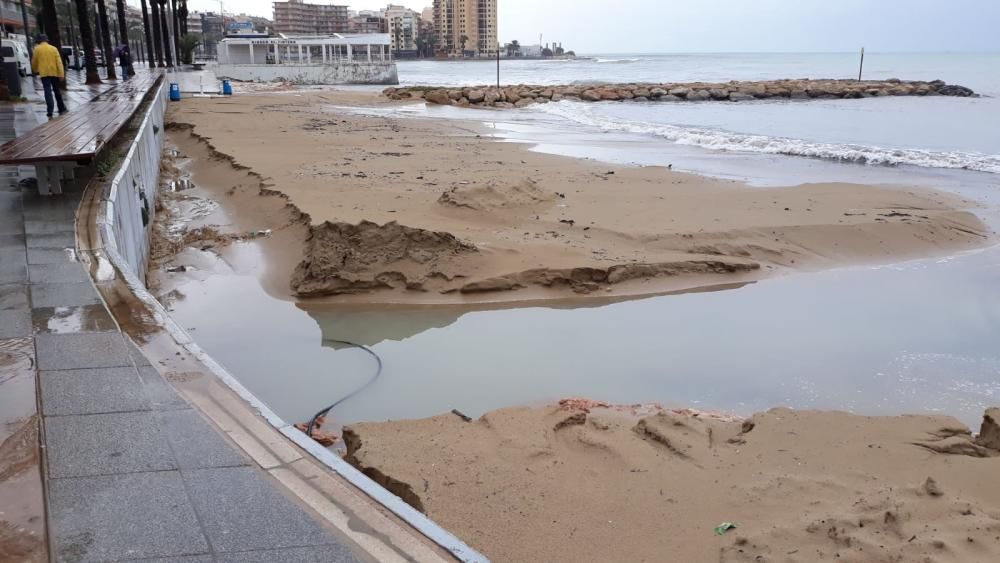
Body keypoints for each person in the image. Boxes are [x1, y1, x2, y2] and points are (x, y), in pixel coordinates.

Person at [31, 34, 67, 118]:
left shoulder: (37, 49)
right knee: (56, 90)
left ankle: (50, 111)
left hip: (44, 73)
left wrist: (35, 70)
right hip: (54, 73)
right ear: (47, 40)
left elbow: (34, 62)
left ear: (39, 41)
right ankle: (61, 108)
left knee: (47, 91)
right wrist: (61, 74)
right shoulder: (53, 49)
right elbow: (59, 62)